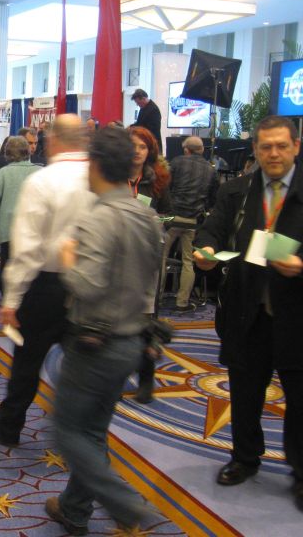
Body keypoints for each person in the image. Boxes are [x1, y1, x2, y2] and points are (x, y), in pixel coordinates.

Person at [45, 126, 161, 535]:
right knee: (92, 430)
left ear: (94, 165)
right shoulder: (146, 214)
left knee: (67, 431)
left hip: (96, 343)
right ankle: (74, 508)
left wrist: (67, 258)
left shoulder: (98, 218)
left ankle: (126, 505)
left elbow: (88, 285)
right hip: (132, 341)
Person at [194, 115, 303, 511]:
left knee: (300, 399)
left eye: (281, 146)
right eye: (265, 147)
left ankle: (301, 472)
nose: (273, 154)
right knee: (244, 392)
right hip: (246, 311)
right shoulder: (237, 191)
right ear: (255, 149)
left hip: (296, 316)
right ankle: (244, 457)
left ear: (296, 147)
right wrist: (206, 250)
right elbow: (212, 230)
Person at [0, 114, 96, 447]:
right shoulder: (101, 178)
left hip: (45, 287)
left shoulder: (42, 181)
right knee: (83, 367)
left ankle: (9, 427)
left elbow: (27, 248)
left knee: (27, 362)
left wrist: (11, 299)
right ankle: (82, 438)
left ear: (52, 140)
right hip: (90, 288)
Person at [129, 125, 171, 404]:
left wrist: (156, 221)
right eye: (132, 146)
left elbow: (170, 214)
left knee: (145, 322)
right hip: (117, 253)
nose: (137, 152)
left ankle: (146, 379)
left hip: (147, 256)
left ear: (150, 151)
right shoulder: (112, 176)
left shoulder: (158, 180)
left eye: (142, 147)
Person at [164, 136, 218, 312]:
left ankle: (156, 300)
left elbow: (165, 187)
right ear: (202, 150)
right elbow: (212, 199)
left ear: (186, 149)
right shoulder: (210, 170)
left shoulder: (176, 162)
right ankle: (182, 302)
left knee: (161, 259)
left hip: (171, 219)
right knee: (188, 261)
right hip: (193, 221)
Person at [0, 137, 39, 292]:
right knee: (31, 269)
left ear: (7, 153)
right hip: (34, 229)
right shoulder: (40, 172)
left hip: (8, 230)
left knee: (7, 267)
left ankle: (6, 297)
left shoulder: (2, 173)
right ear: (27, 152)